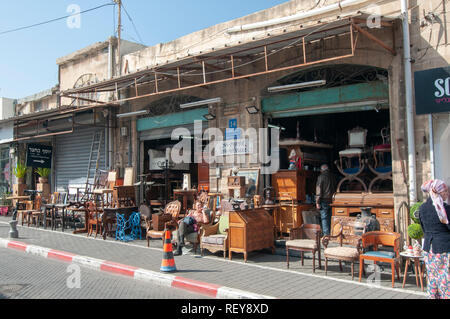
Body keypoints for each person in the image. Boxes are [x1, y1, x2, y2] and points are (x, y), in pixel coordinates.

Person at [419, 180, 450, 299]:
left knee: (432, 278)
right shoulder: (445, 209)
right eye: (445, 191)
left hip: (429, 249)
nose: (447, 193)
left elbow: (423, 228)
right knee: (445, 279)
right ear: (439, 192)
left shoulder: (422, 208)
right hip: (444, 249)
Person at [315, 164, 337, 236]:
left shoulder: (321, 177)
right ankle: (331, 233)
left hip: (323, 200)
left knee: (324, 218)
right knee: (331, 217)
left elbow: (319, 191)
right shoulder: (333, 176)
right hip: (333, 200)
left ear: (322, 170)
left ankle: (326, 235)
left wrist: (317, 202)